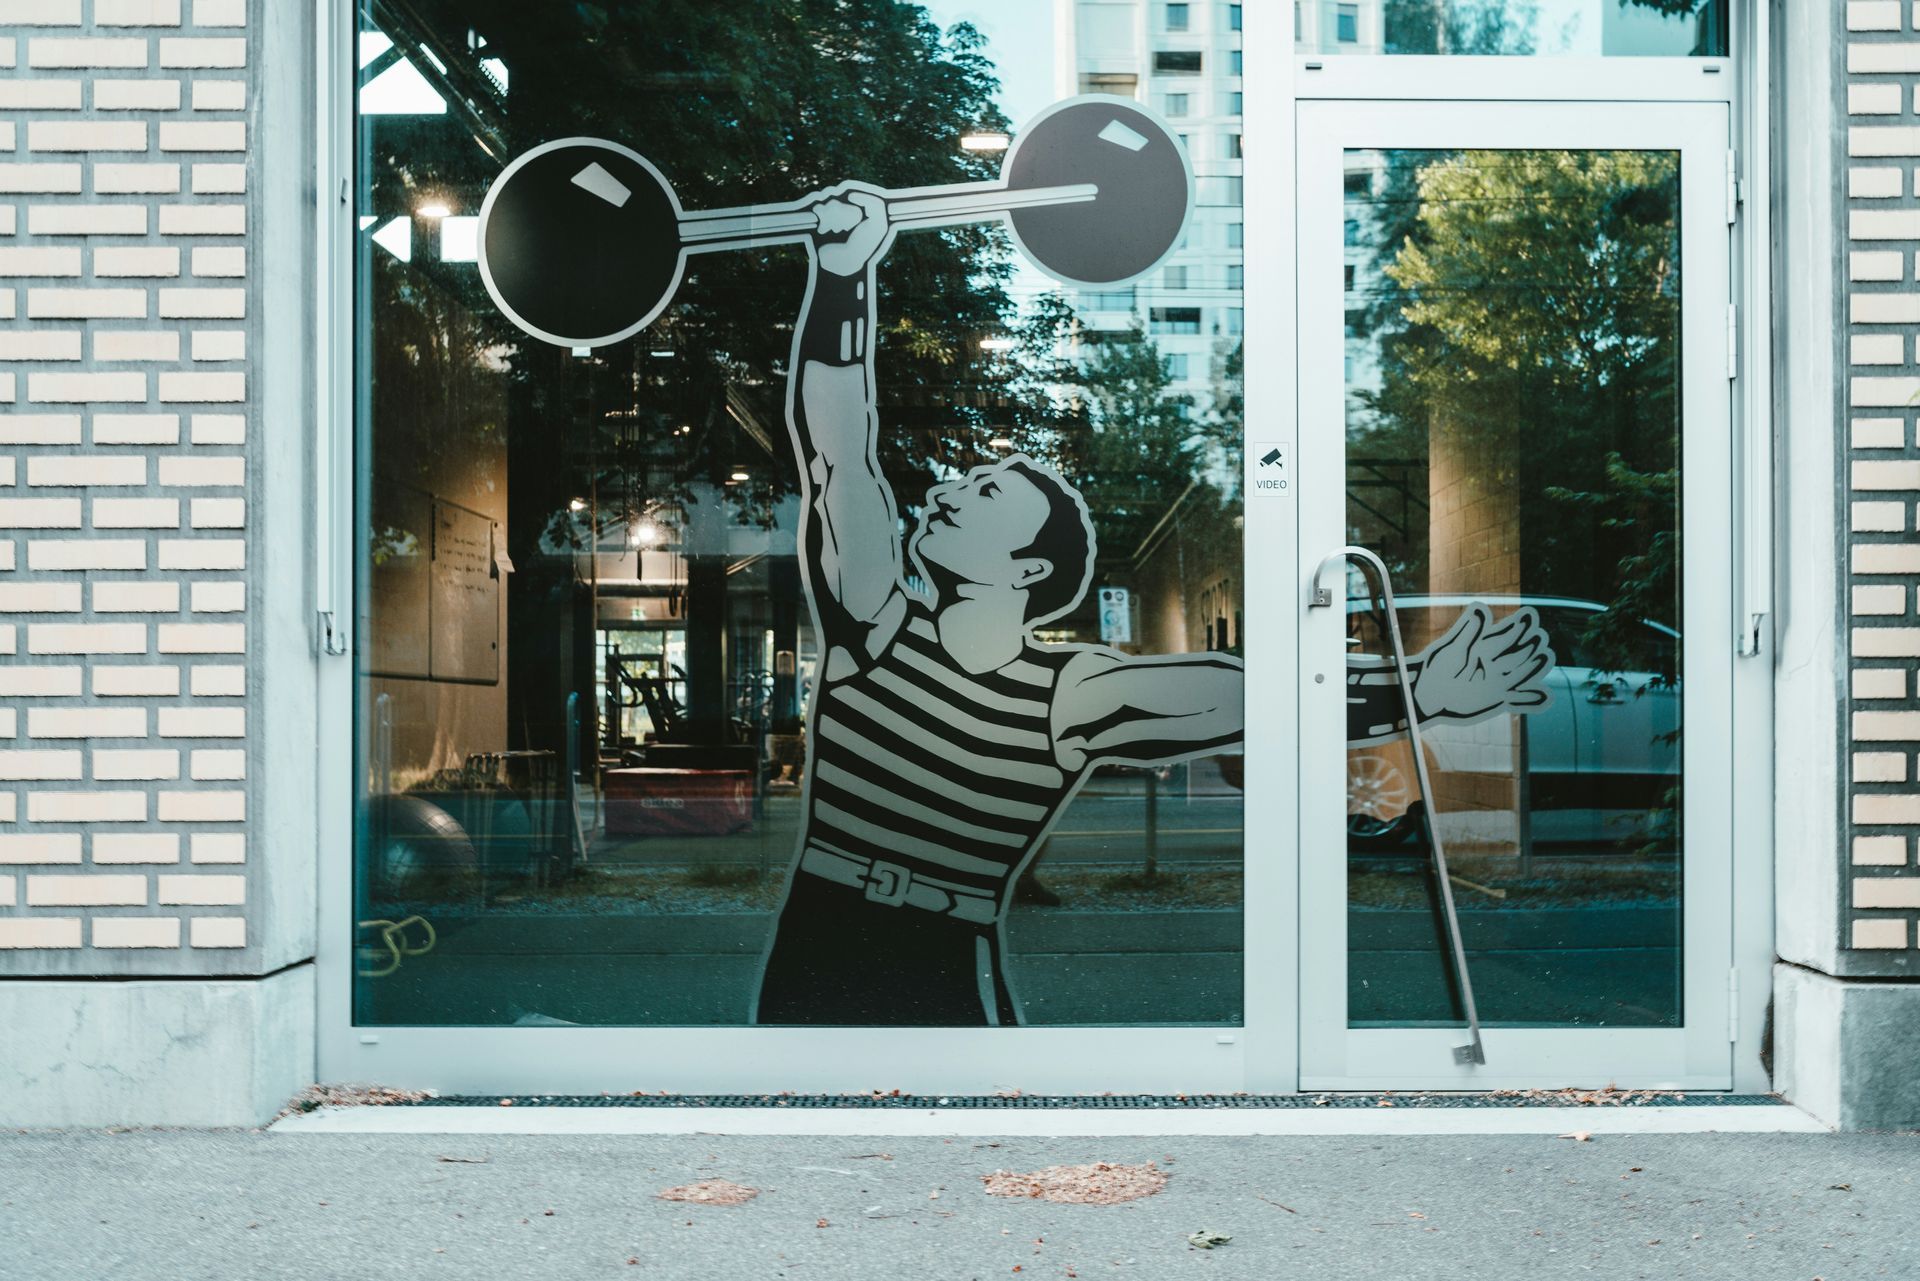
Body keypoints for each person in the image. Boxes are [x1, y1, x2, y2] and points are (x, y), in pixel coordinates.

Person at [751, 185, 1554, 1026]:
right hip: (823, 937)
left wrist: (1419, 689)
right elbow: (839, 451)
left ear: (1026, 570)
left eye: (985, 491)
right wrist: (842, 279)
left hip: (952, 959)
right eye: (965, 478)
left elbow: (1253, 698)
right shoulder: (875, 623)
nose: (950, 487)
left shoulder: (1070, 695)